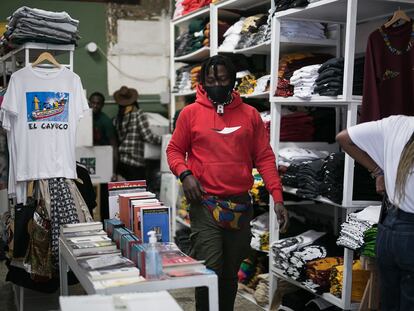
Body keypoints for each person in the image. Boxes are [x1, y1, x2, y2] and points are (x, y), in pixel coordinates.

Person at [166, 55, 288, 311]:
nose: (216, 84)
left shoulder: (250, 115)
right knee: (209, 270)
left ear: (233, 80)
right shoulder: (190, 113)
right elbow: (174, 150)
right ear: (203, 82)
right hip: (205, 203)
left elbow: (264, 157)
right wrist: (185, 175)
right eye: (210, 80)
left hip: (240, 206)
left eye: (222, 79)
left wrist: (277, 197)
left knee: (230, 273)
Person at [336, 115, 414, 311]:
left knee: (389, 302)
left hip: (388, 229)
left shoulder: (396, 123)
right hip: (409, 233)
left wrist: (378, 172)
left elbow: (343, 138)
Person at [113, 86, 161, 181]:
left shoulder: (116, 119)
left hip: (121, 163)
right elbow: (147, 136)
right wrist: (165, 140)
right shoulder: (139, 114)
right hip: (135, 164)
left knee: (124, 193)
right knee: (137, 194)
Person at [88, 92, 118, 180]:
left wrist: (114, 171)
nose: (95, 106)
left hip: (102, 158)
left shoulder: (106, 121)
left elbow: (114, 146)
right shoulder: (83, 118)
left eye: (98, 103)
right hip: (86, 155)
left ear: (102, 105)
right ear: (89, 103)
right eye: (93, 103)